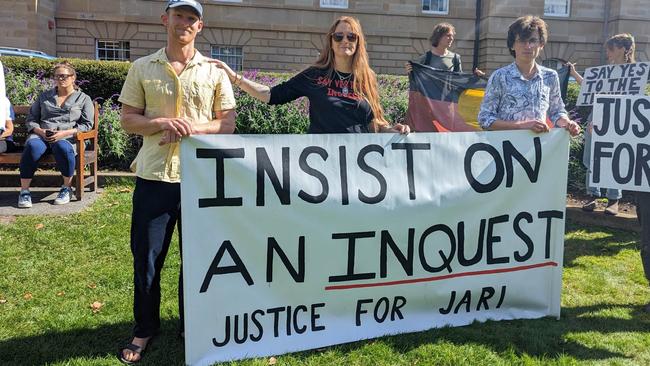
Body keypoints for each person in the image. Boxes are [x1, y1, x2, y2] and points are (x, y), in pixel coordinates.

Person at [117, 0, 236, 363]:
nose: (185, 23)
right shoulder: (143, 67)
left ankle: (192, 325)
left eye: (192, 18)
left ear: (200, 27)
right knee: (148, 258)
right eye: (180, 16)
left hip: (200, 179)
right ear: (165, 19)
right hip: (155, 177)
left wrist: (189, 128)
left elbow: (226, 125)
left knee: (198, 259)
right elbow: (127, 120)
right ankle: (145, 327)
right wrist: (162, 124)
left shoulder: (214, 72)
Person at [211, 16, 409, 135]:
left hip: (358, 161)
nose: (345, 40)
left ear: (358, 42)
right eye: (338, 36)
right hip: (322, 160)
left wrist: (391, 130)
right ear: (331, 41)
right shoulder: (315, 75)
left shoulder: (367, 77)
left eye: (351, 36)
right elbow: (271, 95)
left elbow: (373, 120)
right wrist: (234, 76)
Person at [567, 33, 637, 215]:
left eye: (611, 48)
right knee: (593, 157)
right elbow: (590, 88)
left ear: (622, 49)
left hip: (617, 121)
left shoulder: (634, 73)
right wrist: (574, 73)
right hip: (596, 118)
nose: (607, 52)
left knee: (615, 158)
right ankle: (593, 195)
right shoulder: (606, 71)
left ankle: (614, 198)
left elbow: (631, 101)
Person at [477, 15, 580, 137]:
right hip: (504, 151)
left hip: (538, 150)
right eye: (521, 40)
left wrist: (567, 123)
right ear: (512, 45)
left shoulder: (550, 76)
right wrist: (521, 126)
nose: (528, 46)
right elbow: (485, 119)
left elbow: (556, 112)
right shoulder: (499, 77)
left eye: (533, 40)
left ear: (541, 45)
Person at [18, 61, 94, 208]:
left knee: (62, 147)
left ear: (73, 78)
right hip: (43, 135)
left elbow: (87, 125)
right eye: (57, 76)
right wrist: (40, 131)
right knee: (32, 146)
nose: (61, 79)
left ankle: (66, 188)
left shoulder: (84, 99)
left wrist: (65, 133)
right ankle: (24, 192)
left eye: (64, 76)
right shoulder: (44, 97)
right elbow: (31, 119)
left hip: (69, 136)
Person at [405, 22, 485, 76]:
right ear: (438, 36)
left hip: (447, 101)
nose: (451, 38)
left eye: (452, 36)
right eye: (448, 35)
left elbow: (459, 81)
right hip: (429, 100)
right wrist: (410, 71)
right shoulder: (425, 58)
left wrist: (475, 76)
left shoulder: (455, 58)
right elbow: (416, 81)